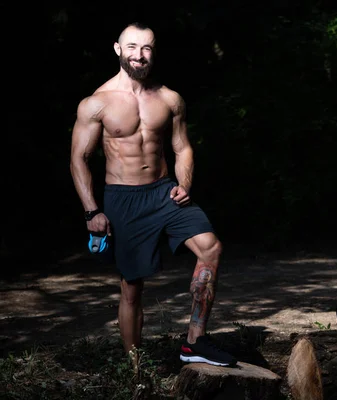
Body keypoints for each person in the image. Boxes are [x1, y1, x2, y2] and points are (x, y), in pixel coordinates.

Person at [69, 22, 236, 367]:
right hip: (123, 197)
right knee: (132, 287)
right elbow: (79, 159)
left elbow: (183, 148)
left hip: (165, 192)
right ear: (118, 49)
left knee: (211, 247)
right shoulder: (96, 103)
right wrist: (91, 211)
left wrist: (184, 184)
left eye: (146, 48)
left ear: (153, 52)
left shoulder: (169, 99)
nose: (139, 55)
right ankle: (135, 368)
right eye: (132, 47)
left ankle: (194, 342)